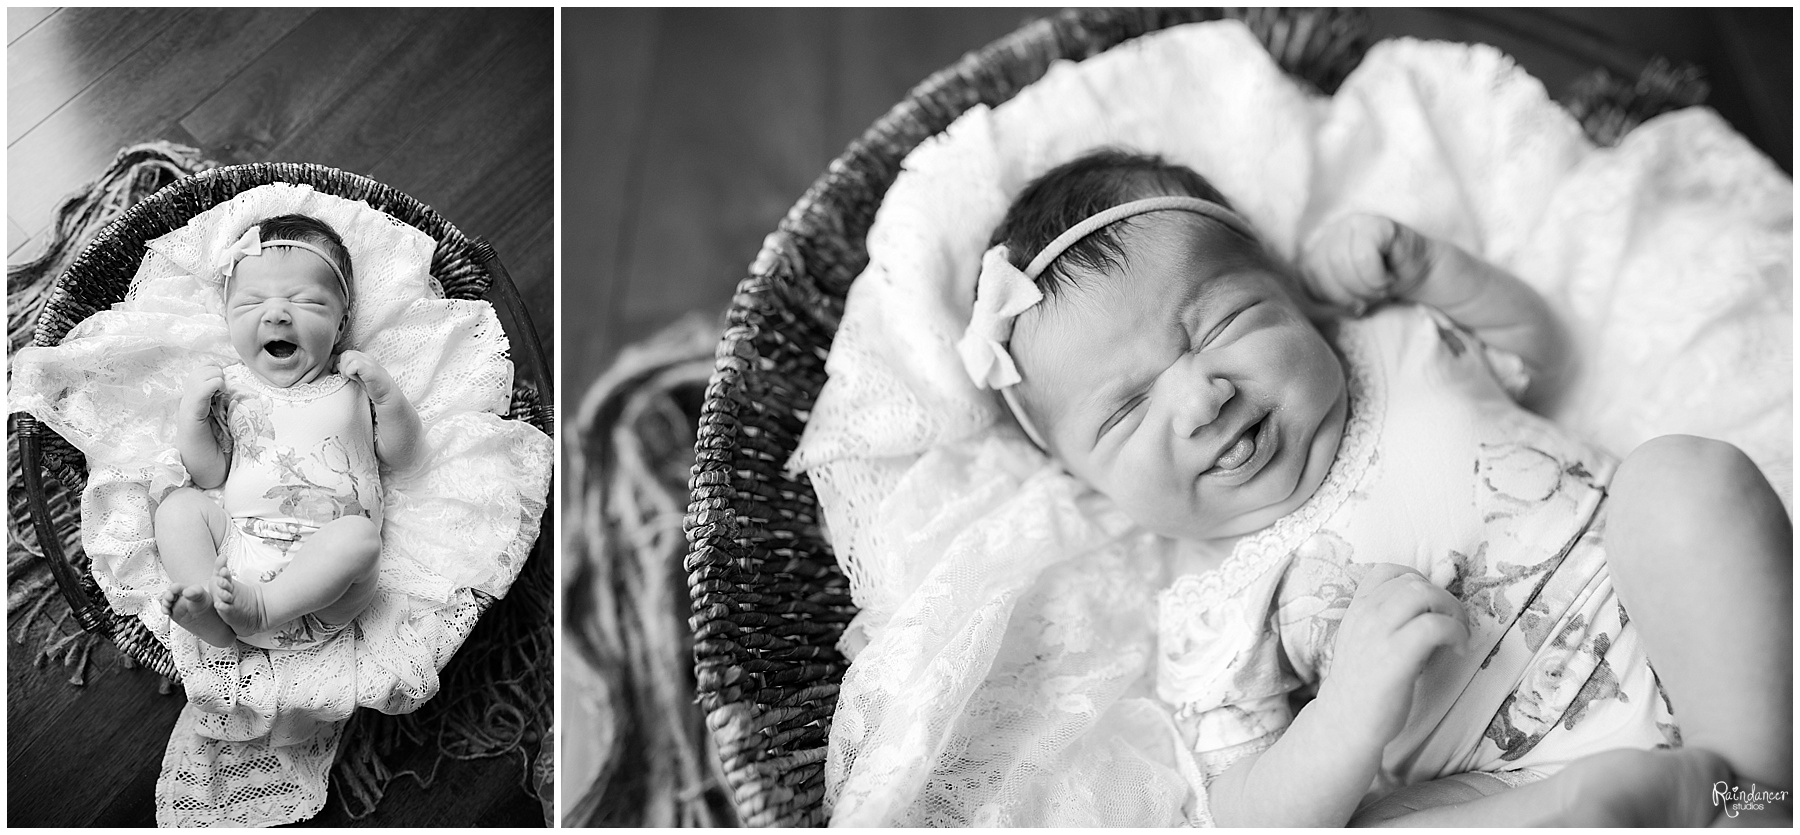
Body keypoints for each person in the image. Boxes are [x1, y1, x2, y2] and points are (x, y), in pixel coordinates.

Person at [958, 149, 1791, 825]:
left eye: (1217, 328)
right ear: (1094, 485)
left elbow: (1537, 347)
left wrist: (1430, 268)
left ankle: (1756, 791)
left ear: (1290, 293)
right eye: (1129, 409)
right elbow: (1247, 813)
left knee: (1684, 478)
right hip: (1504, 782)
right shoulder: (1214, 610)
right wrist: (1345, 712)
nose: (1199, 397)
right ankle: (1592, 806)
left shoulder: (1393, 345)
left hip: (1666, 622)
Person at [155, 214, 423, 650]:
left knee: (358, 538)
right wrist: (193, 416)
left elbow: (404, 456)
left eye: (307, 303)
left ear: (341, 322)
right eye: (250, 304)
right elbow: (209, 475)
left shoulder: (351, 382)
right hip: (239, 558)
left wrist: (389, 398)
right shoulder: (233, 387)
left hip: (325, 591)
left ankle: (263, 608)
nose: (277, 313)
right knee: (178, 509)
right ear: (226, 317)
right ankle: (207, 611)